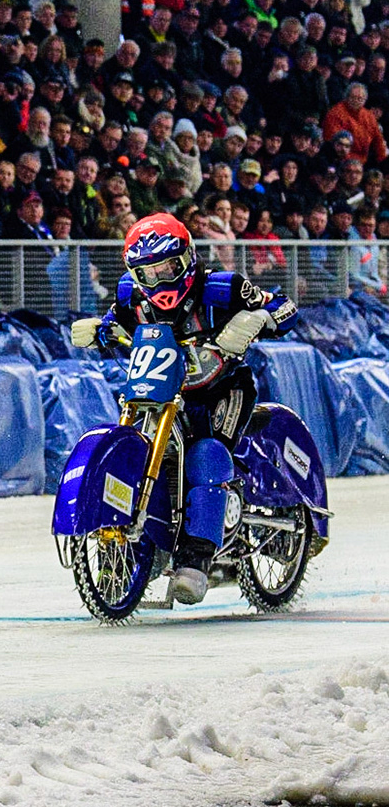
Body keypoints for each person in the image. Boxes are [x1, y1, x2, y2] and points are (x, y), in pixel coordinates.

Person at [70, 213, 298, 604]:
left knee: (207, 455)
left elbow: (285, 308)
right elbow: (115, 321)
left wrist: (257, 318)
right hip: (159, 389)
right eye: (148, 272)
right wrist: (101, 329)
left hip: (222, 388)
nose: (159, 280)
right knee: (137, 446)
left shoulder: (223, 288)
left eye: (168, 267)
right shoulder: (130, 295)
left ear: (188, 258)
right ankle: (137, 546)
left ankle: (196, 560)